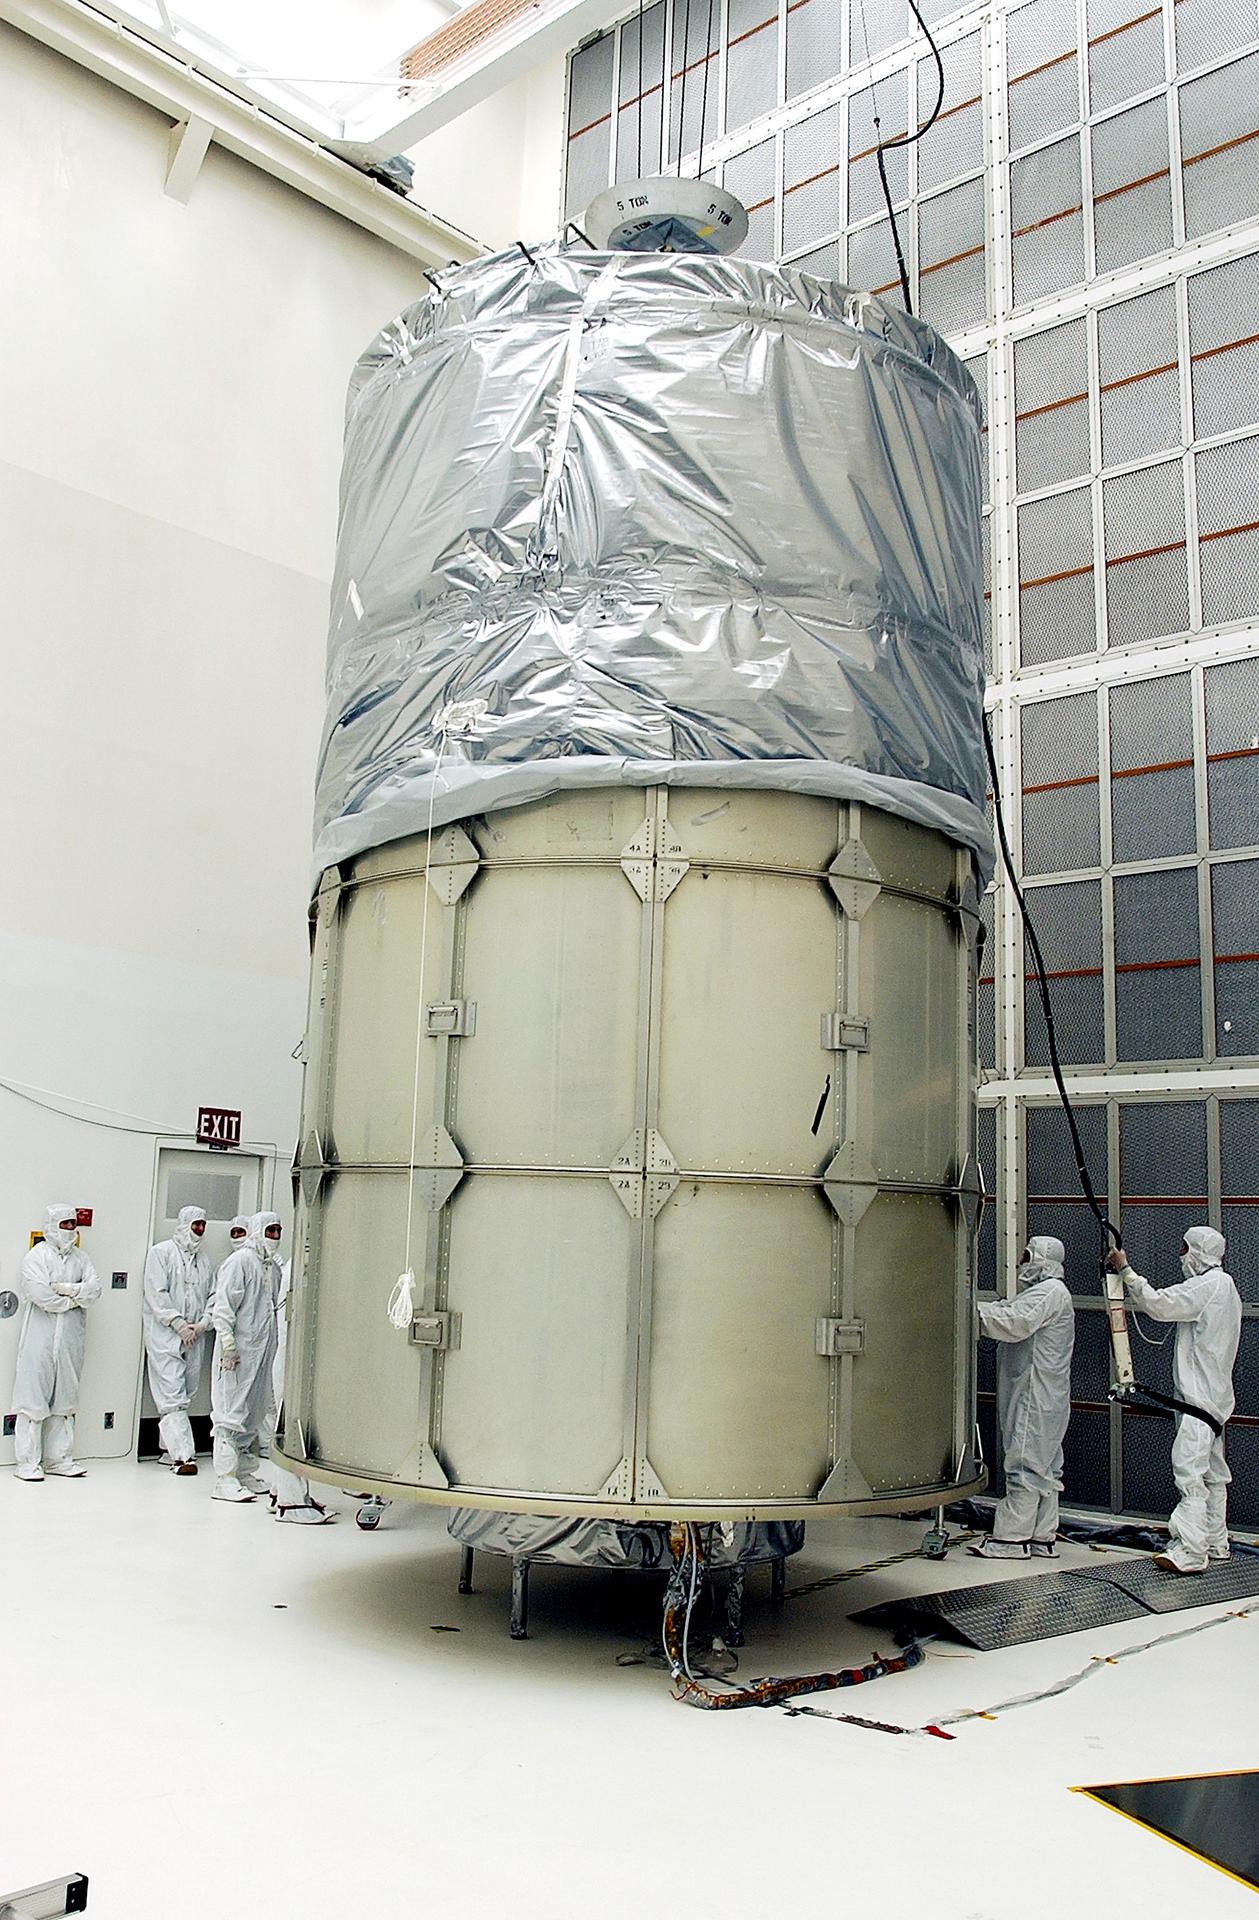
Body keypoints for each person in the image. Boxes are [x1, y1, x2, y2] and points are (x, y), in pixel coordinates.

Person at [1107, 1227, 1241, 1574]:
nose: (1181, 1255)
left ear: (1198, 1251)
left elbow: (1158, 1304)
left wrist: (1125, 1270)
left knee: (1189, 1474)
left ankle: (1191, 1550)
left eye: (1184, 1248)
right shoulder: (1226, 1287)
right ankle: (1216, 1542)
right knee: (1213, 1475)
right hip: (1215, 1402)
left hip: (1197, 1403)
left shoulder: (1207, 1286)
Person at [210, 1212, 331, 1523]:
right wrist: (227, 1344)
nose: (275, 1236)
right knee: (230, 1411)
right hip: (238, 1352)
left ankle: (244, 1472)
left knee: (253, 1412)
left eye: (278, 1230)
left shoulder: (273, 1267)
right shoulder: (240, 1262)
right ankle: (224, 1479)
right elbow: (223, 1306)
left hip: (264, 1351)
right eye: (270, 1230)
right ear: (256, 1231)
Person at [970, 1235, 1074, 1559]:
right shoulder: (1049, 1293)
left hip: (1034, 1395)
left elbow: (1015, 1321)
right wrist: (980, 1308)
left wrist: (967, 1313)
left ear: (1042, 1260)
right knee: (1046, 1469)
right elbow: (1010, 1309)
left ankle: (1011, 1540)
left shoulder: (1049, 1292)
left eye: (1027, 1256)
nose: (1021, 1263)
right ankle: (1042, 1536)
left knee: (1025, 1464)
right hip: (1048, 1396)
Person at [11, 1205, 102, 1481]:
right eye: (64, 1224)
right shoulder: (36, 1257)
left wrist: (64, 1289)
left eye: (73, 1223)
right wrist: (73, 1300)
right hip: (39, 1340)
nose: (70, 1229)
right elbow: (40, 1295)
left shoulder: (82, 1259)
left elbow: (94, 1290)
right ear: (52, 1225)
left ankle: (59, 1460)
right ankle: (27, 1463)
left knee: (65, 1400)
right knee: (32, 1400)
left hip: (70, 1341)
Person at [142, 1205, 214, 1474]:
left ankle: (166, 1450)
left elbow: (212, 1294)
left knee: (186, 1392)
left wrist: (203, 1322)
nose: (200, 1230)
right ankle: (184, 1458)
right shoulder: (161, 1253)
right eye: (196, 1225)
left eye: (203, 1225)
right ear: (184, 1224)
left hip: (194, 1336)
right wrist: (177, 1323)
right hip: (166, 1335)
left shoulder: (203, 1260)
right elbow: (156, 1293)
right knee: (171, 1393)